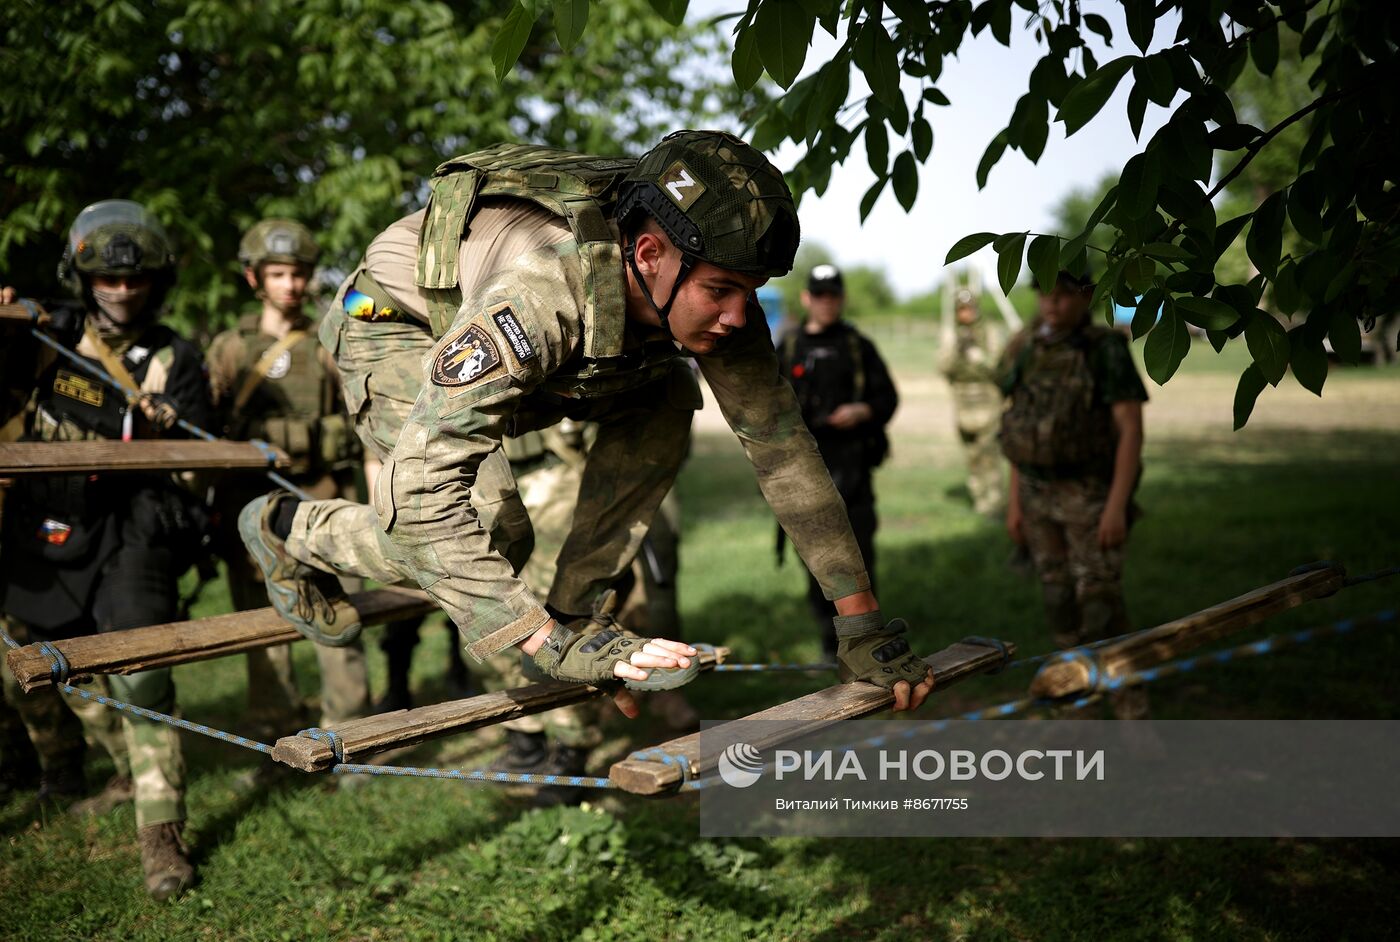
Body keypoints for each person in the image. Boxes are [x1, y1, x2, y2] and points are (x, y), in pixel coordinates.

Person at [238, 131, 935, 717]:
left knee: (666, 392)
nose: (736, 316)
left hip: (545, 356)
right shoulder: (543, 296)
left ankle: (578, 609)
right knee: (489, 533)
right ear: (651, 254)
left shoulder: (715, 299)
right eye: (720, 291)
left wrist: (861, 624)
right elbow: (423, 498)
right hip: (392, 323)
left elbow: (786, 457)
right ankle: (283, 530)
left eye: (747, 294)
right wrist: (540, 644)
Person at [0, 200, 210, 898]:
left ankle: (161, 837)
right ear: (83, 279)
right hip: (46, 523)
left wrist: (167, 433)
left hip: (134, 528)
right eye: (108, 280)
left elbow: (199, 467)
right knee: (26, 652)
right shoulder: (42, 330)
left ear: (158, 281)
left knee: (141, 673)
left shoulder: (179, 356)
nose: (122, 291)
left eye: (137, 279)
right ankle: (75, 771)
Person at [205, 219, 370, 739]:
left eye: (298, 273)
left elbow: (359, 417)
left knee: (338, 620)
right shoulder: (230, 347)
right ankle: (273, 728)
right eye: (277, 273)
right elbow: (210, 426)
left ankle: (351, 734)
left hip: (323, 501)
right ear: (256, 279)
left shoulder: (330, 336)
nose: (290, 284)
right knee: (262, 629)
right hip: (253, 506)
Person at [998, 270, 1149, 719]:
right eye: (1045, 293)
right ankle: (1076, 708)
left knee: (1101, 607)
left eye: (1063, 295)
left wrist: (1117, 505)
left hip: (1090, 495)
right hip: (1036, 496)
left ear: (1085, 296)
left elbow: (1130, 430)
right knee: (1058, 602)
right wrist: (1015, 504)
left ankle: (1132, 710)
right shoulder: (1027, 349)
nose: (1052, 304)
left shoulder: (1105, 350)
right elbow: (1017, 429)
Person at [776, 264, 899, 659]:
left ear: (841, 298)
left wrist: (862, 411)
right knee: (818, 561)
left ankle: (867, 642)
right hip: (806, 472)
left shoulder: (857, 346)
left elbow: (887, 398)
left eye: (833, 295)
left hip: (854, 469)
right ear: (807, 298)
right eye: (820, 295)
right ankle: (832, 643)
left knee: (860, 557)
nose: (827, 302)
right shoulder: (790, 347)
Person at [938, 286, 1008, 515]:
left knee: (990, 455)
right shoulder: (953, 336)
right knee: (972, 456)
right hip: (963, 402)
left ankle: (994, 504)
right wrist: (954, 351)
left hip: (987, 401)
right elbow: (944, 369)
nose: (965, 314)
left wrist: (979, 359)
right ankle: (979, 500)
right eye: (961, 309)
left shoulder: (990, 332)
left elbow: (1000, 369)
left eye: (969, 309)